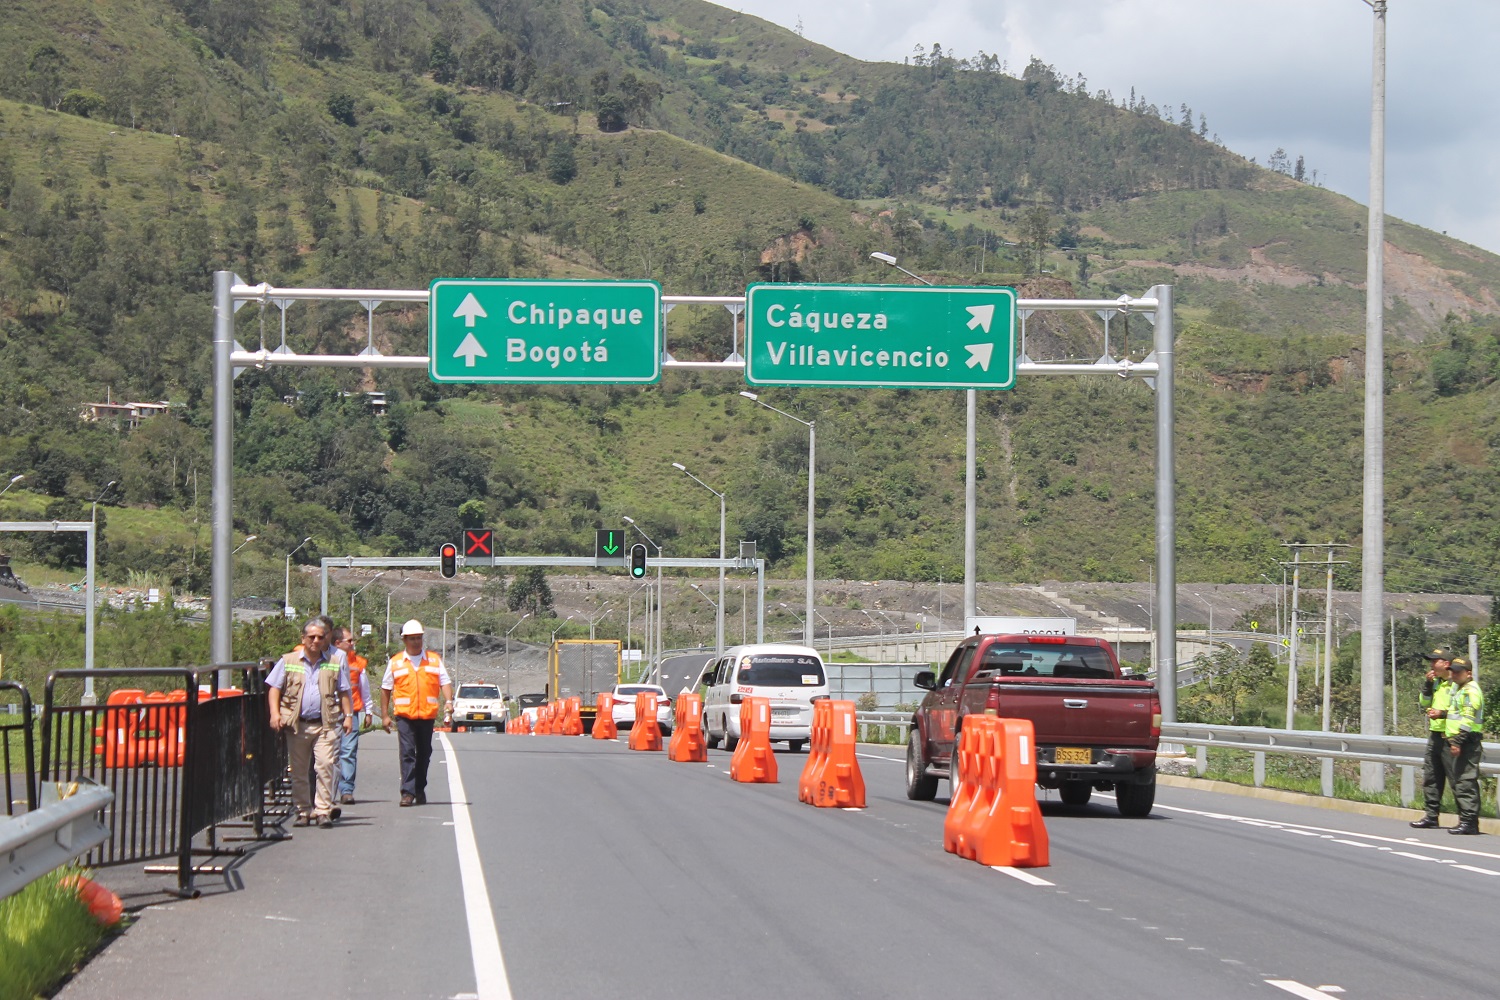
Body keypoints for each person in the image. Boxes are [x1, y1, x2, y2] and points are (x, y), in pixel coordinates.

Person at [267, 618, 353, 828]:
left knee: (325, 765)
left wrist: (348, 715)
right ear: (303, 639)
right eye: (311, 637)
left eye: (320, 637)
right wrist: (275, 714)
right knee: (299, 770)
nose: (315, 641)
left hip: (326, 724)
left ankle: (323, 810)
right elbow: (274, 688)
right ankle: (303, 811)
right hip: (298, 725)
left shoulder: (333, 660)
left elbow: (343, 690)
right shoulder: (289, 660)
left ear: (327, 639)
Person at [381, 619, 453, 807]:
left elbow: (444, 682)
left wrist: (449, 702)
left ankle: (419, 788)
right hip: (404, 715)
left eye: (419, 638)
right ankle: (407, 792)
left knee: (424, 753)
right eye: (412, 638)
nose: (416, 642)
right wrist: (385, 715)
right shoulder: (396, 662)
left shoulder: (434, 660)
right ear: (404, 640)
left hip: (427, 716)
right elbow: (385, 688)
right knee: (407, 753)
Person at [1410, 646, 1456, 829]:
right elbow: (1424, 702)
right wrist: (1428, 685)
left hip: (1452, 736)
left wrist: (1442, 714)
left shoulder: (1456, 683)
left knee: (1456, 779)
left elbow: (1462, 710)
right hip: (1435, 734)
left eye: (1434, 661)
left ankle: (1465, 819)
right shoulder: (1436, 682)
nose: (1431, 665)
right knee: (1431, 777)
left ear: (1446, 664)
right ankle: (1431, 815)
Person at [332, 627, 374, 805]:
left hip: (353, 711)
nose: (352, 643)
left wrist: (369, 710)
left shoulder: (358, 663)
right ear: (337, 643)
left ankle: (346, 790)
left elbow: (364, 688)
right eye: (348, 641)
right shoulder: (327, 659)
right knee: (330, 753)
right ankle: (326, 793)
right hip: (331, 712)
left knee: (348, 751)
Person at [1444, 656, 1485, 836]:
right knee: (1461, 781)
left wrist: (1458, 742)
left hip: (1467, 742)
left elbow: (1468, 719)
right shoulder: (1460, 689)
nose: (1453, 675)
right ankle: (1466, 820)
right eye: (1452, 671)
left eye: (1458, 672)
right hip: (1461, 741)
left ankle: (1469, 823)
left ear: (1468, 674)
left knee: (1465, 782)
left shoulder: (1470, 691)